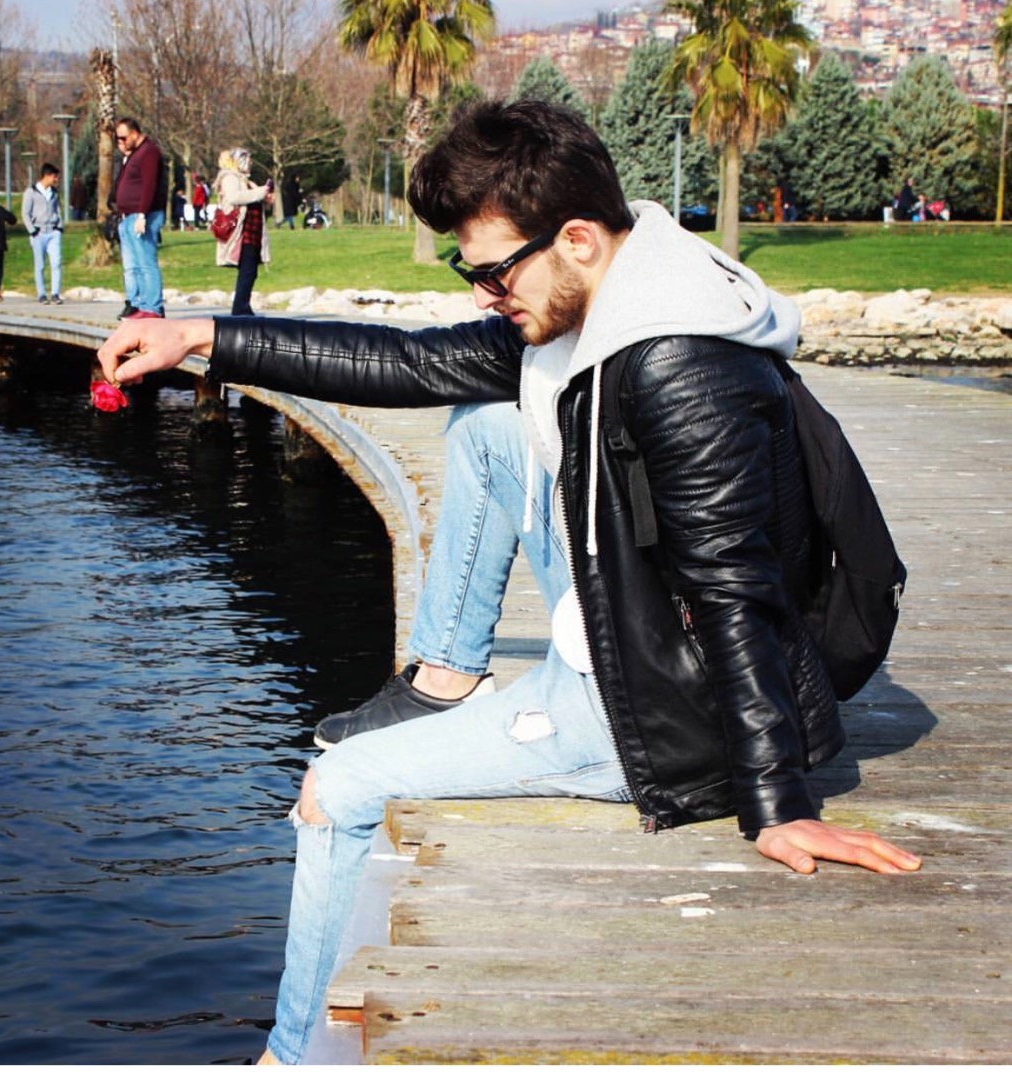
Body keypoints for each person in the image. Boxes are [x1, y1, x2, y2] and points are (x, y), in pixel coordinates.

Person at [97, 100, 922, 1065]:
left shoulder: (677, 366)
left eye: (492, 271)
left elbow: (733, 590)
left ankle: (292, 1057)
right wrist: (200, 336)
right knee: (488, 424)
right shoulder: (606, 296)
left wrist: (776, 803)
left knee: (338, 785)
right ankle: (445, 674)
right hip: (635, 618)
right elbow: (411, 363)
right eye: (468, 273)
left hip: (655, 711)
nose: (484, 294)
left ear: (575, 238)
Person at [112, 117, 167, 319]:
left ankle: (153, 307)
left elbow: (149, 185)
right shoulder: (135, 154)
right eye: (117, 138)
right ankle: (140, 305)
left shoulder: (149, 152)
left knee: (146, 263)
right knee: (134, 265)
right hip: (127, 216)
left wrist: (142, 214)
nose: (120, 142)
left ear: (135, 133)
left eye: (123, 138)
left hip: (142, 215)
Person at [213, 148, 273, 316]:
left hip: (252, 230)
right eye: (247, 160)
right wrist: (259, 193)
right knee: (247, 269)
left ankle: (242, 306)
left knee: (251, 270)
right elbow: (234, 197)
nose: (250, 163)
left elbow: (252, 198)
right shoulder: (230, 177)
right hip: (241, 231)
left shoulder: (245, 180)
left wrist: (265, 198)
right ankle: (240, 308)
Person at [21, 163, 64, 305]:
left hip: (53, 232)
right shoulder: (31, 192)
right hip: (38, 233)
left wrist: (59, 227)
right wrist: (32, 231)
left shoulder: (54, 192)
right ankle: (42, 294)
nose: (56, 179)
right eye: (54, 176)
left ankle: (55, 294)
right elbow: (25, 213)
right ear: (47, 176)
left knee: (56, 263)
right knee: (40, 265)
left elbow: (58, 210)